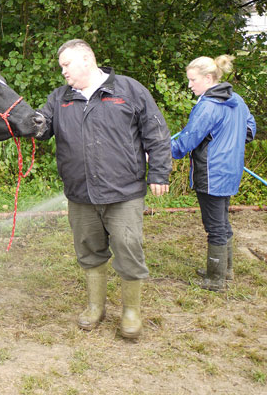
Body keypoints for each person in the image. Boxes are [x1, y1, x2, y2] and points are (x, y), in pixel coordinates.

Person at [38, 39, 171, 339]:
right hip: (80, 193)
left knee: (128, 247)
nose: (63, 73)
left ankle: (131, 311)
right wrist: (23, 121)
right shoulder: (60, 99)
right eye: (61, 68)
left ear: (86, 59)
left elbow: (156, 133)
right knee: (88, 249)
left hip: (123, 192)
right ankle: (95, 306)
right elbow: (41, 127)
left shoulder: (129, 90)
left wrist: (159, 173)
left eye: (66, 65)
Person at [171, 55, 256, 292]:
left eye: (192, 80)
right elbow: (250, 126)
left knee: (214, 226)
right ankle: (223, 270)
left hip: (212, 173)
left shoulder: (207, 106)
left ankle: (216, 280)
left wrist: (162, 150)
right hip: (230, 171)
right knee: (222, 220)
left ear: (209, 78)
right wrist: (235, 139)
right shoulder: (236, 100)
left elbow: (187, 141)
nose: (190, 85)